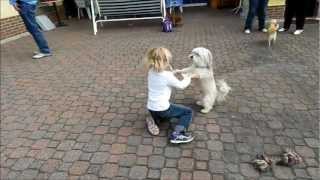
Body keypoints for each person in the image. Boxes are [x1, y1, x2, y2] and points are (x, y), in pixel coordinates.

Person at [144, 47, 197, 144]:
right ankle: (178, 134)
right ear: (165, 61)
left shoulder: (151, 71)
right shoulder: (167, 76)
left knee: (164, 116)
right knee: (188, 112)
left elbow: (162, 75)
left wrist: (173, 72)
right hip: (162, 108)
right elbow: (181, 86)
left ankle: (155, 120)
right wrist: (188, 77)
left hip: (151, 107)